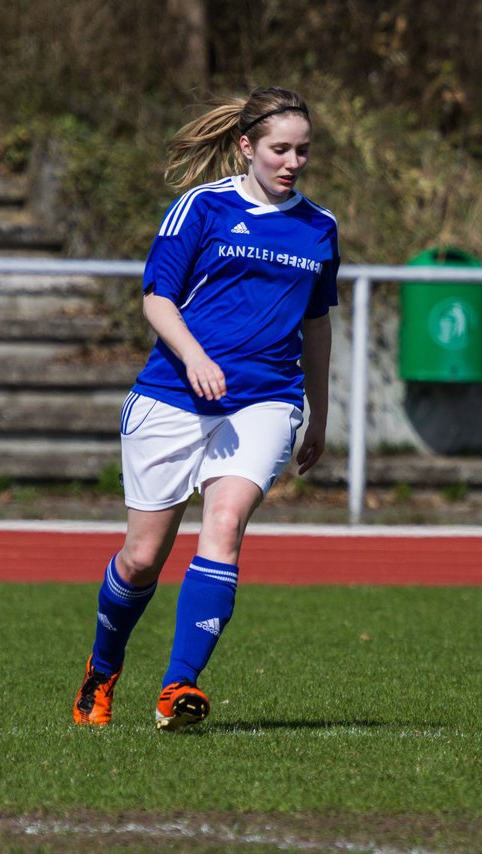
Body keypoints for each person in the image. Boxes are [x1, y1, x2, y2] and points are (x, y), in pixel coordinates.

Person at [73, 86, 339, 730]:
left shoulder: (321, 227)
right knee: (142, 558)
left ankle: (178, 688)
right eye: (279, 148)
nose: (292, 162)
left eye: (302, 150)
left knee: (224, 525)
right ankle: (101, 672)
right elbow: (157, 298)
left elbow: (318, 324)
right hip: (172, 395)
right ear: (247, 146)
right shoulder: (202, 206)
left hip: (267, 399)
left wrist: (319, 412)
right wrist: (194, 356)